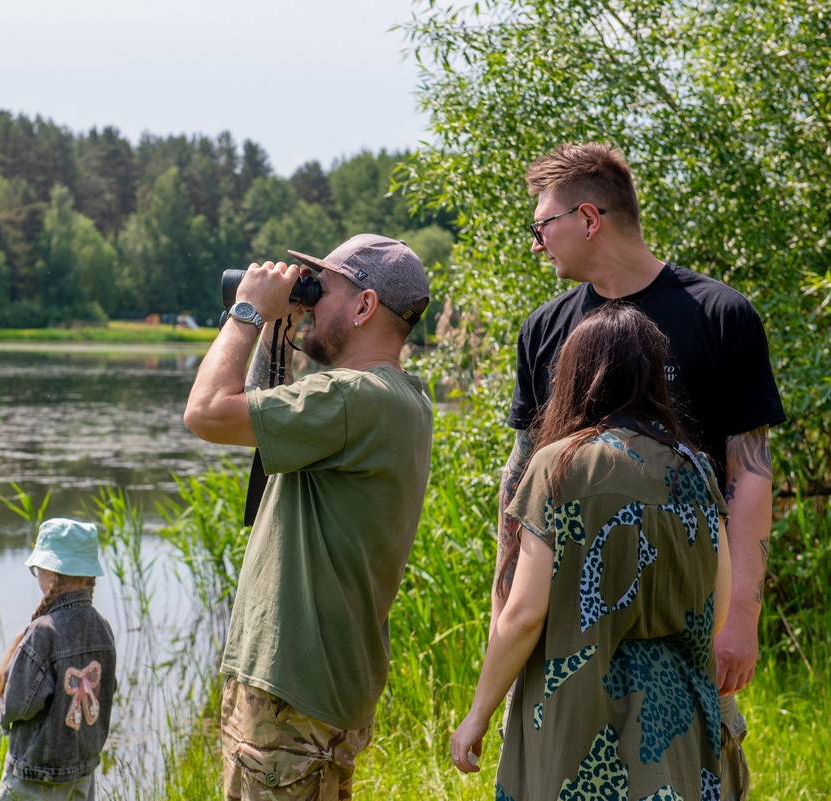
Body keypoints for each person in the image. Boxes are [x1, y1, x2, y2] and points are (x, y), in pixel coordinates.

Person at [494, 143, 786, 799]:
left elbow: (751, 472)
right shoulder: (544, 329)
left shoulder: (718, 315)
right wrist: (503, 604)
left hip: (683, 625)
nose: (538, 244)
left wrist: (740, 615)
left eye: (543, 226)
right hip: (563, 628)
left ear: (588, 218)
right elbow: (519, 484)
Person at [184, 233, 434, 800]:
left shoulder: (356, 399)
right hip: (306, 688)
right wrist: (282, 328)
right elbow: (264, 415)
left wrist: (247, 312)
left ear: (366, 306)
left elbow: (206, 413)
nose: (310, 299)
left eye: (322, 289)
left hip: (295, 693)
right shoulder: (397, 398)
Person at [453, 302, 733, 797]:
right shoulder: (697, 469)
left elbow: (522, 615)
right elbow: (717, 605)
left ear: (577, 375)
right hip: (679, 729)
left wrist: (478, 714)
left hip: (576, 731)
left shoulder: (560, 466)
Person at [0, 517, 117, 801]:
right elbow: (109, 689)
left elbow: (17, 704)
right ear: (88, 576)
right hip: (81, 771)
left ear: (51, 572)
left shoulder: (44, 631)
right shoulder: (103, 628)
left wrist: (3, 718)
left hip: (36, 775)